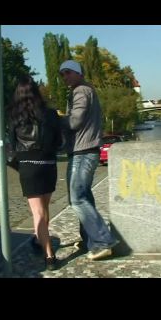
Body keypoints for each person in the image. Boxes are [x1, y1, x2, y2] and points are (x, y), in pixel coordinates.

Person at [59, 60, 119, 261]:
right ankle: (90, 241)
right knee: (85, 197)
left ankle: (103, 241)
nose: (64, 77)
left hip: (83, 151)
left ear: (78, 72)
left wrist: (54, 118)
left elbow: (75, 121)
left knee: (77, 199)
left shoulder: (81, 91)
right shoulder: (85, 90)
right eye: (62, 74)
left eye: (67, 72)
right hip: (85, 150)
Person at [7, 75, 62, 271]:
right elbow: (59, 142)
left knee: (37, 213)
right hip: (48, 165)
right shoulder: (51, 114)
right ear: (37, 92)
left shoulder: (14, 117)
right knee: (45, 210)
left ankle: (49, 256)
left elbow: (12, 146)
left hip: (28, 166)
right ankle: (40, 241)